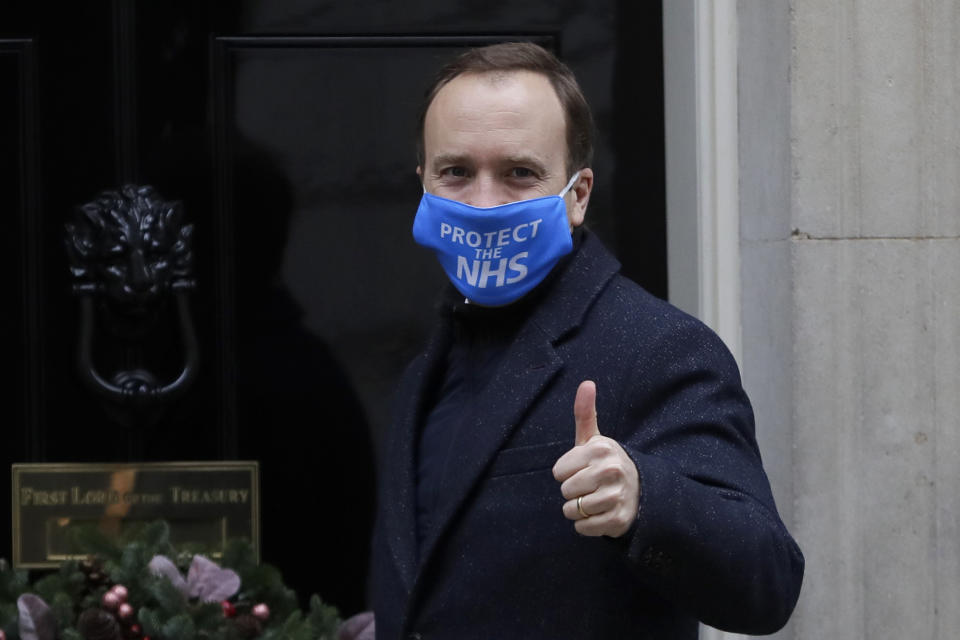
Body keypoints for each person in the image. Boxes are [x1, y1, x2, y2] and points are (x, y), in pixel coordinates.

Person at [358, 42, 804, 639]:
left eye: (519, 173)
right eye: (456, 172)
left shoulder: (657, 348)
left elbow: (767, 582)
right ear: (424, 184)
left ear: (578, 194)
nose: (485, 203)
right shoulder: (421, 374)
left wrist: (645, 499)